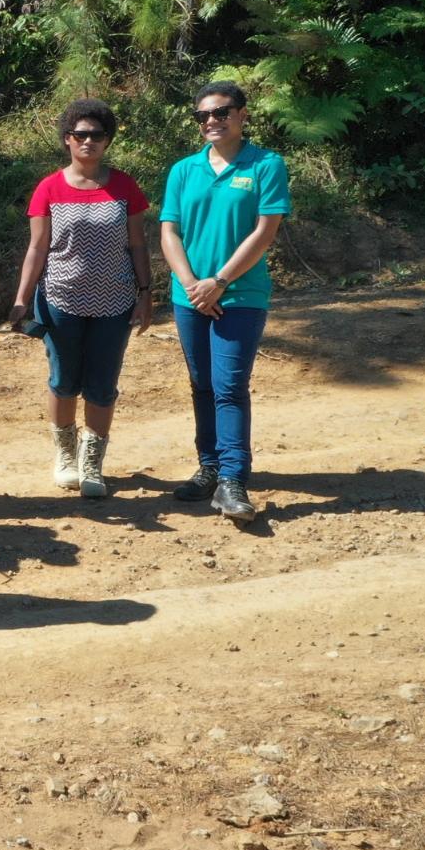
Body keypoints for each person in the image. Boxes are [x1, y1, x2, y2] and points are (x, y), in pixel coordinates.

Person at [7, 99, 154, 498]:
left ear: (107, 140)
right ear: (67, 139)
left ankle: (93, 461)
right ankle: (66, 456)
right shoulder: (49, 188)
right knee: (63, 381)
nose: (88, 141)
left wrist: (145, 293)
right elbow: (38, 249)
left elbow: (138, 244)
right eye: (80, 135)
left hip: (115, 301)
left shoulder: (124, 186)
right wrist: (22, 299)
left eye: (96, 135)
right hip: (60, 299)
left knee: (103, 385)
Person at [160, 82, 290, 524]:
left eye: (221, 112)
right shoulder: (183, 170)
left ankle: (233, 479)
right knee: (202, 384)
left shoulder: (266, 165)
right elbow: (170, 232)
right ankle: (209, 467)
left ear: (242, 115)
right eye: (203, 116)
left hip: (240, 294)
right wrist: (193, 284)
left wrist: (218, 281)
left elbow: (264, 231)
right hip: (190, 295)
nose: (212, 121)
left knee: (229, 385)